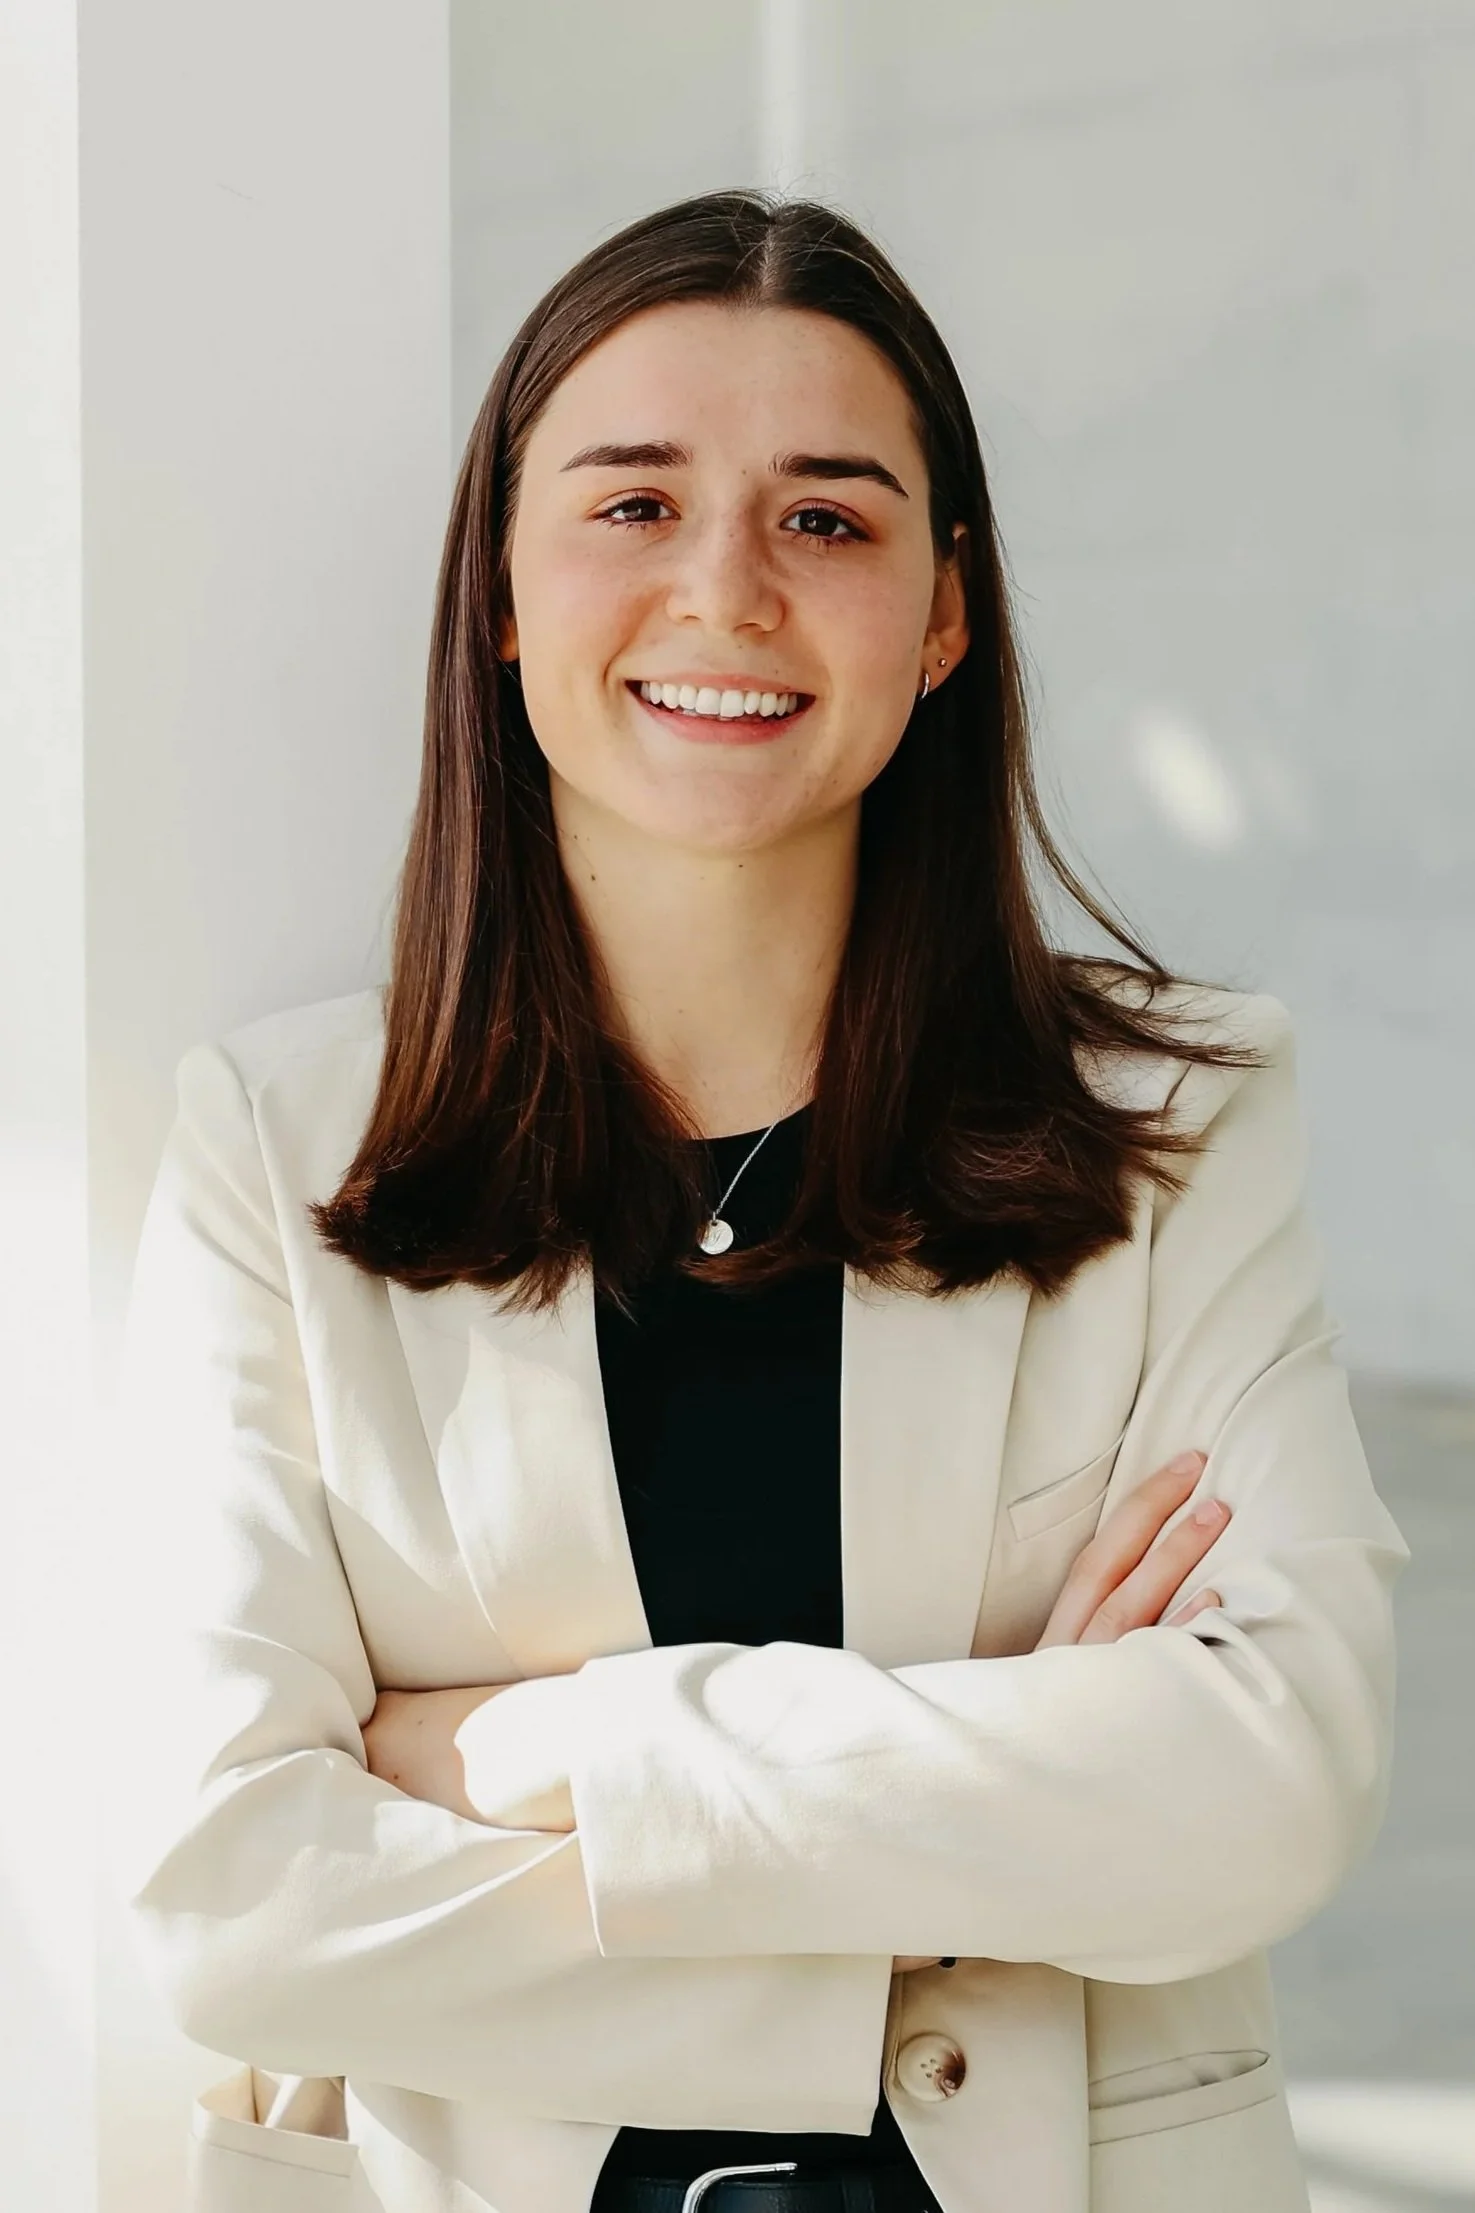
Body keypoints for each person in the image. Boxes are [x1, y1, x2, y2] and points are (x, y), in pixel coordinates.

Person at [113, 190, 1408, 2213]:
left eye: (825, 518)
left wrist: (541, 1755)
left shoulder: (1173, 1121)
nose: (723, 588)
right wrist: (966, 1835)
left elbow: (1261, 1789)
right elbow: (229, 1897)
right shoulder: (281, 1154)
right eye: (631, 504)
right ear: (504, 594)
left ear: (944, 609)